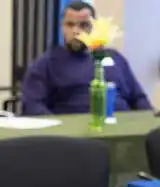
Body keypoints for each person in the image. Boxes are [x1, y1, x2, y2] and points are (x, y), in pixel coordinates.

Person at [21, 1, 151, 116]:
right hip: (75, 136)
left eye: (84, 25)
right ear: (62, 27)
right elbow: (32, 105)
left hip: (124, 129)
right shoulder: (47, 63)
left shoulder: (115, 58)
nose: (76, 31)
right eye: (70, 25)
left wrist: (150, 122)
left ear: (94, 27)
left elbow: (138, 98)